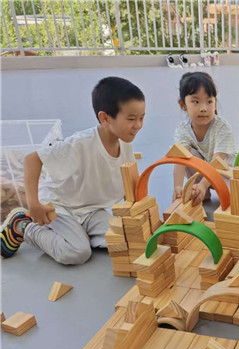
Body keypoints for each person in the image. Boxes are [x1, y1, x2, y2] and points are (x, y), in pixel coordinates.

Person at [0, 77, 145, 264]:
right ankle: (23, 226)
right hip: (61, 207)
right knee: (77, 252)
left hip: (91, 210)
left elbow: (130, 184)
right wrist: (33, 204)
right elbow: (32, 160)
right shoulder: (80, 143)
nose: (138, 125)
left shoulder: (125, 146)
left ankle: (79, 234)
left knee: (124, 239)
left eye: (142, 118)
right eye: (131, 119)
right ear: (105, 118)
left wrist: (139, 217)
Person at [172, 72, 236, 205]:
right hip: (203, 173)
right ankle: (201, 191)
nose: (203, 108)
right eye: (196, 102)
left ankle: (202, 188)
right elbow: (179, 159)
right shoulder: (182, 129)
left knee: (234, 200)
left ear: (215, 103)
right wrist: (177, 187)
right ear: (182, 105)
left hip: (224, 173)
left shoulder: (222, 127)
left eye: (209, 101)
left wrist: (203, 184)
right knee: (184, 154)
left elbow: (218, 161)